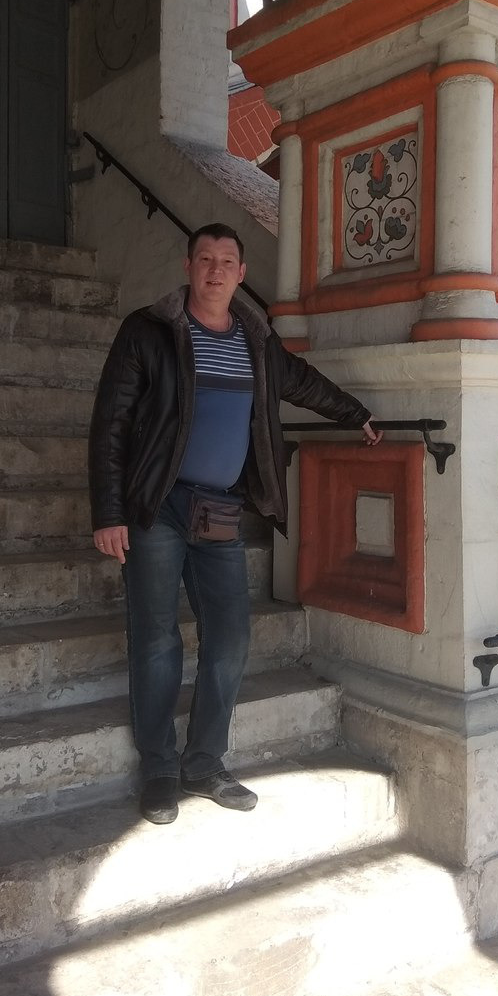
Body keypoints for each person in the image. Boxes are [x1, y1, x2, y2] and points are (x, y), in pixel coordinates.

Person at [89, 223, 382, 825]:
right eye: (205, 259)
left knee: (229, 637)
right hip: (156, 506)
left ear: (241, 274)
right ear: (188, 266)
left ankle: (204, 763)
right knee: (156, 637)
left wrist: (356, 414)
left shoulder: (257, 341)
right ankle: (160, 769)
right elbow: (110, 422)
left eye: (227, 261)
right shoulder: (149, 331)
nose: (216, 270)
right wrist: (109, 512)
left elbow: (302, 382)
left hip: (220, 507)